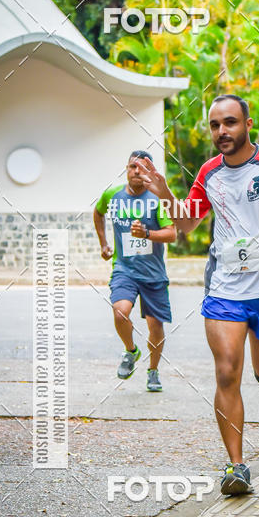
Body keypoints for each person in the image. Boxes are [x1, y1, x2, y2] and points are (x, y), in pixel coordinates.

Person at [134, 95, 259, 495]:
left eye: (230, 123)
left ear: (248, 124)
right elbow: (186, 225)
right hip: (224, 289)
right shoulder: (209, 172)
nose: (222, 131)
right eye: (215, 125)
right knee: (226, 371)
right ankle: (236, 466)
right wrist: (166, 192)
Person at [93, 151, 177, 392]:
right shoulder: (113, 195)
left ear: (149, 172)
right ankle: (131, 350)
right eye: (132, 167)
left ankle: (153, 371)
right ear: (126, 169)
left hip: (153, 273)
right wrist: (104, 243)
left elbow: (171, 233)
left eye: (141, 168)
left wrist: (147, 234)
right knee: (120, 312)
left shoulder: (156, 199)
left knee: (155, 326)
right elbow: (98, 212)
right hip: (124, 269)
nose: (136, 172)